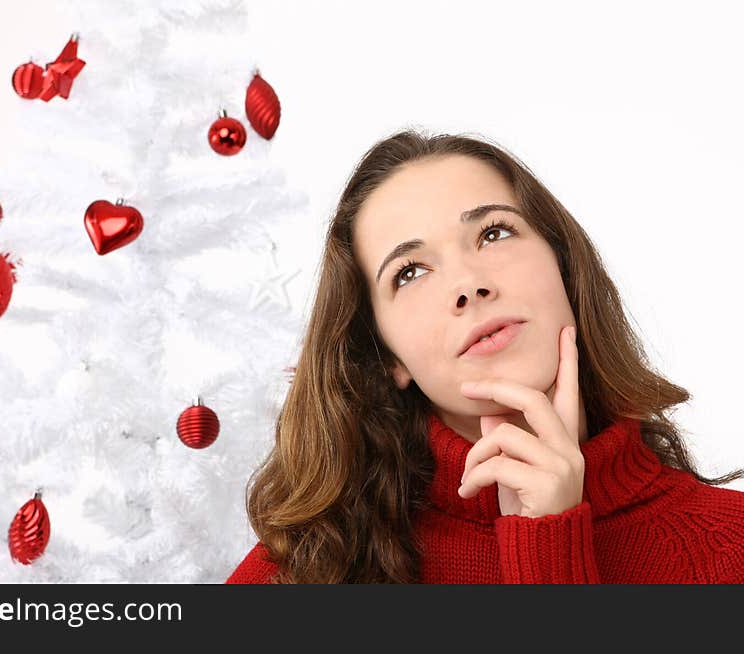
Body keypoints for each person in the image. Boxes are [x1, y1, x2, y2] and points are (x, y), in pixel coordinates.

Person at [225, 129, 744, 583]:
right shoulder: (309, 569)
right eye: (410, 271)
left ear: (564, 265)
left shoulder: (730, 547)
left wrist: (546, 549)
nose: (468, 286)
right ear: (387, 356)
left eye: (493, 233)